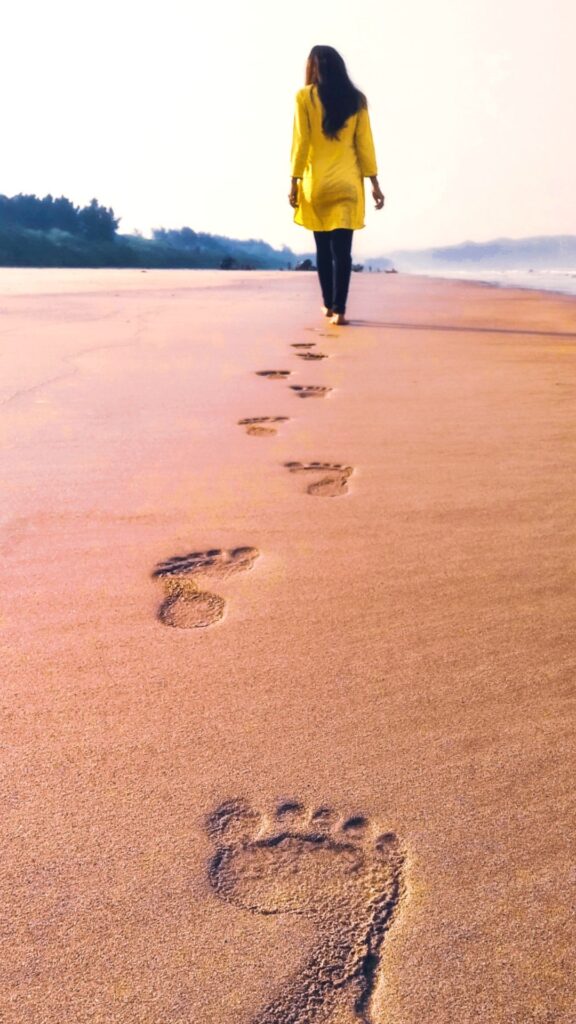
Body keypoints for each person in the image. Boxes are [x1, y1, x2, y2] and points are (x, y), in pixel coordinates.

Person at [289, 46, 384, 325]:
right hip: (348, 185)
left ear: (313, 68)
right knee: (342, 252)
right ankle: (340, 310)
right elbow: (364, 145)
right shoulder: (357, 99)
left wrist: (294, 181)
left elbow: (301, 143)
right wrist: (375, 183)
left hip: (316, 184)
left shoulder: (304, 97)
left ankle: (328, 305)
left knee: (322, 248)